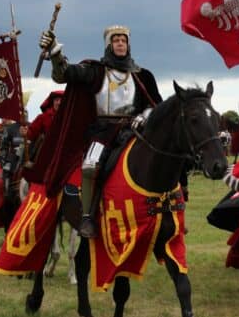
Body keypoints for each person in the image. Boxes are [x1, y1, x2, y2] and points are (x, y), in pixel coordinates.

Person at [38, 24, 162, 238]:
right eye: (116, 40)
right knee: (90, 165)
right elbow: (65, 74)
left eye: (123, 40)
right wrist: (55, 53)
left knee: (159, 157)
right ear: (109, 45)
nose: (120, 43)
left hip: (133, 129)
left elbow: (155, 106)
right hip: (103, 131)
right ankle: (87, 217)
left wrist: (143, 116)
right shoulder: (96, 71)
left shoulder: (142, 75)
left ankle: (167, 208)